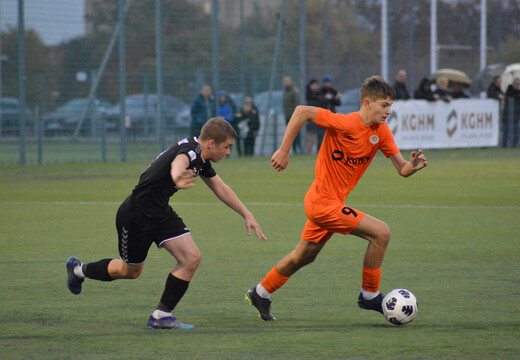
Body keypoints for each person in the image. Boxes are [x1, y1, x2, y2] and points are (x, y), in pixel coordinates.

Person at [245, 76, 427, 322]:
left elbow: (401, 168)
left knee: (305, 256)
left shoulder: (381, 132)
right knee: (381, 233)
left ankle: (260, 293)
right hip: (322, 203)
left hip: (331, 204)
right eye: (384, 105)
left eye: (390, 106)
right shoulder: (344, 123)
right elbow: (301, 111)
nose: (388, 111)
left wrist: (412, 166)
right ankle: (369, 295)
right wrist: (284, 149)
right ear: (367, 103)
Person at [66, 117, 267, 329]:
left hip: (160, 212)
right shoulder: (190, 152)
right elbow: (178, 163)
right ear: (211, 143)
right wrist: (177, 175)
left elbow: (221, 188)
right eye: (227, 147)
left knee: (191, 258)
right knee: (130, 271)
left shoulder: (202, 159)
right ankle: (79, 270)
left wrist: (247, 214)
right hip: (136, 215)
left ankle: (161, 315)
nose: (227, 152)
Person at [282, 76, 303, 154]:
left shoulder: (294, 91)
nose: (286, 83)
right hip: (287, 116)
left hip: (293, 116)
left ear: (291, 82)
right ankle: (294, 150)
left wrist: (295, 116)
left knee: (296, 134)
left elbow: (297, 105)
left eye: (287, 81)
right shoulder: (285, 92)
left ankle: (299, 150)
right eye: (285, 81)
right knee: (290, 135)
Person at [305, 79, 326, 154]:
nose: (315, 86)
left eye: (316, 85)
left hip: (319, 119)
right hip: (311, 120)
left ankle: (319, 153)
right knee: (311, 139)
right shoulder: (307, 94)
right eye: (313, 85)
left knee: (320, 139)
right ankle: (307, 153)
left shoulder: (320, 94)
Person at [504, 78, 520, 147]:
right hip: (508, 116)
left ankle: (514, 145)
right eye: (516, 83)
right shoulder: (510, 90)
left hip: (516, 116)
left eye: (518, 84)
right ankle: (504, 146)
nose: (517, 85)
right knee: (506, 132)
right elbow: (510, 98)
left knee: (516, 133)